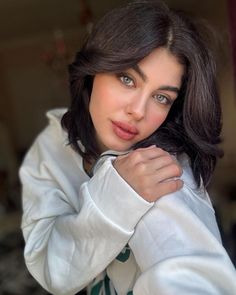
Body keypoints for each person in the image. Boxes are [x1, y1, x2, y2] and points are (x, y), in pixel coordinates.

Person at [20, 0, 236, 294]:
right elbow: (52, 270)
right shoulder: (51, 146)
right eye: (127, 79)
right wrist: (116, 194)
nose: (138, 111)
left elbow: (188, 269)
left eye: (162, 97)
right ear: (94, 69)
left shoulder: (161, 167)